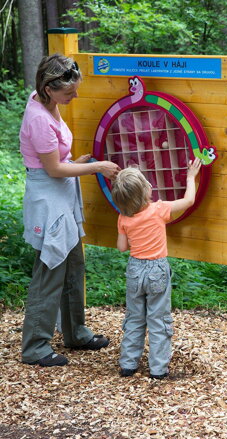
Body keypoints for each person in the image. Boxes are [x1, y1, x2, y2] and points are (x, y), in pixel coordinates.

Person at [20, 53, 120, 367]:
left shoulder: (47, 102)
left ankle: (75, 332)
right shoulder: (38, 117)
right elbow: (51, 170)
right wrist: (97, 168)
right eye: (69, 92)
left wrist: (77, 163)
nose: (74, 96)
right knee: (50, 270)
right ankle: (35, 347)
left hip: (62, 194)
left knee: (73, 265)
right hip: (49, 198)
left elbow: (58, 163)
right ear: (49, 89)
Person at [111, 158, 201, 379]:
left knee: (134, 317)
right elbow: (188, 201)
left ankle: (128, 365)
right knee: (158, 319)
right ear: (145, 192)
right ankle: (158, 369)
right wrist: (191, 177)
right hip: (157, 270)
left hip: (134, 269)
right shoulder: (159, 210)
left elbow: (122, 247)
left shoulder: (123, 217)